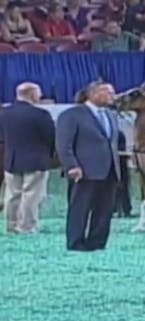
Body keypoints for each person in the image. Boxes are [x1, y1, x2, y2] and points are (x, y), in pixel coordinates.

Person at [55, 81, 120, 252]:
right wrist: (71, 166)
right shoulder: (72, 115)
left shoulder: (111, 115)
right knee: (80, 208)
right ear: (93, 94)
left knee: (105, 209)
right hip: (84, 171)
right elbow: (64, 144)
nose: (113, 96)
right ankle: (76, 242)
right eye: (108, 92)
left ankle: (97, 242)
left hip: (109, 171)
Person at [1, 82, 55, 234]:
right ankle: (27, 226)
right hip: (36, 160)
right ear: (31, 94)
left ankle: (11, 226)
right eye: (38, 93)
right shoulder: (41, 115)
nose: (41, 96)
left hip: (11, 160)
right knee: (31, 195)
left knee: (12, 195)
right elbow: (50, 138)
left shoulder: (5, 113)